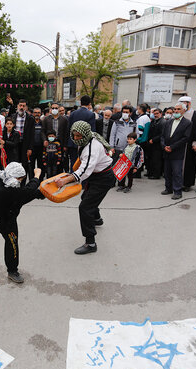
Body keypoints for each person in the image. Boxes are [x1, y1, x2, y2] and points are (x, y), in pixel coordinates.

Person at [54, 121, 114, 255]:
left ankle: (91, 243)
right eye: (74, 135)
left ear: (85, 134)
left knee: (85, 207)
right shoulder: (89, 136)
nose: (76, 138)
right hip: (97, 174)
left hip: (103, 178)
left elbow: (85, 170)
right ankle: (97, 219)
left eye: (79, 136)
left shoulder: (92, 148)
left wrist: (65, 181)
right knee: (86, 198)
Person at [161, 102, 193, 200]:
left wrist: (172, 147)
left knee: (177, 172)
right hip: (166, 151)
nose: (176, 111)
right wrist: (164, 146)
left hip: (177, 152)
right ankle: (168, 188)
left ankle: (177, 191)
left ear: (184, 110)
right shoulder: (168, 122)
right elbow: (162, 136)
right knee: (167, 171)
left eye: (178, 109)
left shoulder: (187, 123)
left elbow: (185, 138)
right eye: (175, 109)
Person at [178, 96, 196, 192]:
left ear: (188, 103)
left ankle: (187, 184)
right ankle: (178, 182)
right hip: (180, 143)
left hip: (190, 144)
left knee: (189, 164)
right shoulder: (179, 114)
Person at [109, 105, 136, 190]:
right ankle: (118, 183)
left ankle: (128, 185)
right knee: (117, 166)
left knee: (128, 167)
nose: (124, 114)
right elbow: (112, 135)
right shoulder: (117, 122)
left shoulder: (134, 123)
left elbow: (136, 135)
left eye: (127, 112)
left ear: (130, 113)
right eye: (123, 112)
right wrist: (112, 147)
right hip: (118, 148)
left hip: (129, 149)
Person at [67, 95, 96, 172]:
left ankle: (72, 180)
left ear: (80, 103)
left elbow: (69, 128)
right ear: (89, 104)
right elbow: (92, 131)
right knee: (83, 163)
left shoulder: (73, 114)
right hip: (84, 143)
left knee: (73, 163)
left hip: (73, 142)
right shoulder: (90, 114)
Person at [42, 102, 69, 172]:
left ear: (59, 109)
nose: (54, 109)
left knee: (60, 163)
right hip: (49, 144)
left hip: (60, 143)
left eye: (56, 108)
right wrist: (44, 140)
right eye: (53, 108)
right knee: (49, 164)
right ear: (50, 109)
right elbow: (43, 131)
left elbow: (66, 133)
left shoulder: (64, 119)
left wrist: (65, 145)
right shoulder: (46, 119)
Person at [146, 108, 164, 180]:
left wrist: (153, 140)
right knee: (151, 159)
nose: (155, 115)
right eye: (154, 114)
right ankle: (151, 172)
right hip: (151, 143)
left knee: (157, 160)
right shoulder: (154, 121)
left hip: (157, 144)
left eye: (157, 113)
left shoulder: (162, 122)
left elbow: (162, 134)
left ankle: (156, 174)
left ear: (161, 114)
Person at [29, 107, 46, 180]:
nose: (37, 114)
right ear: (33, 113)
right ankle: (31, 180)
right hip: (32, 148)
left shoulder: (43, 123)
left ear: (41, 113)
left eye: (38, 112)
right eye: (35, 112)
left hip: (41, 147)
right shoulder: (30, 123)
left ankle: (40, 180)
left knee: (41, 165)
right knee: (31, 166)